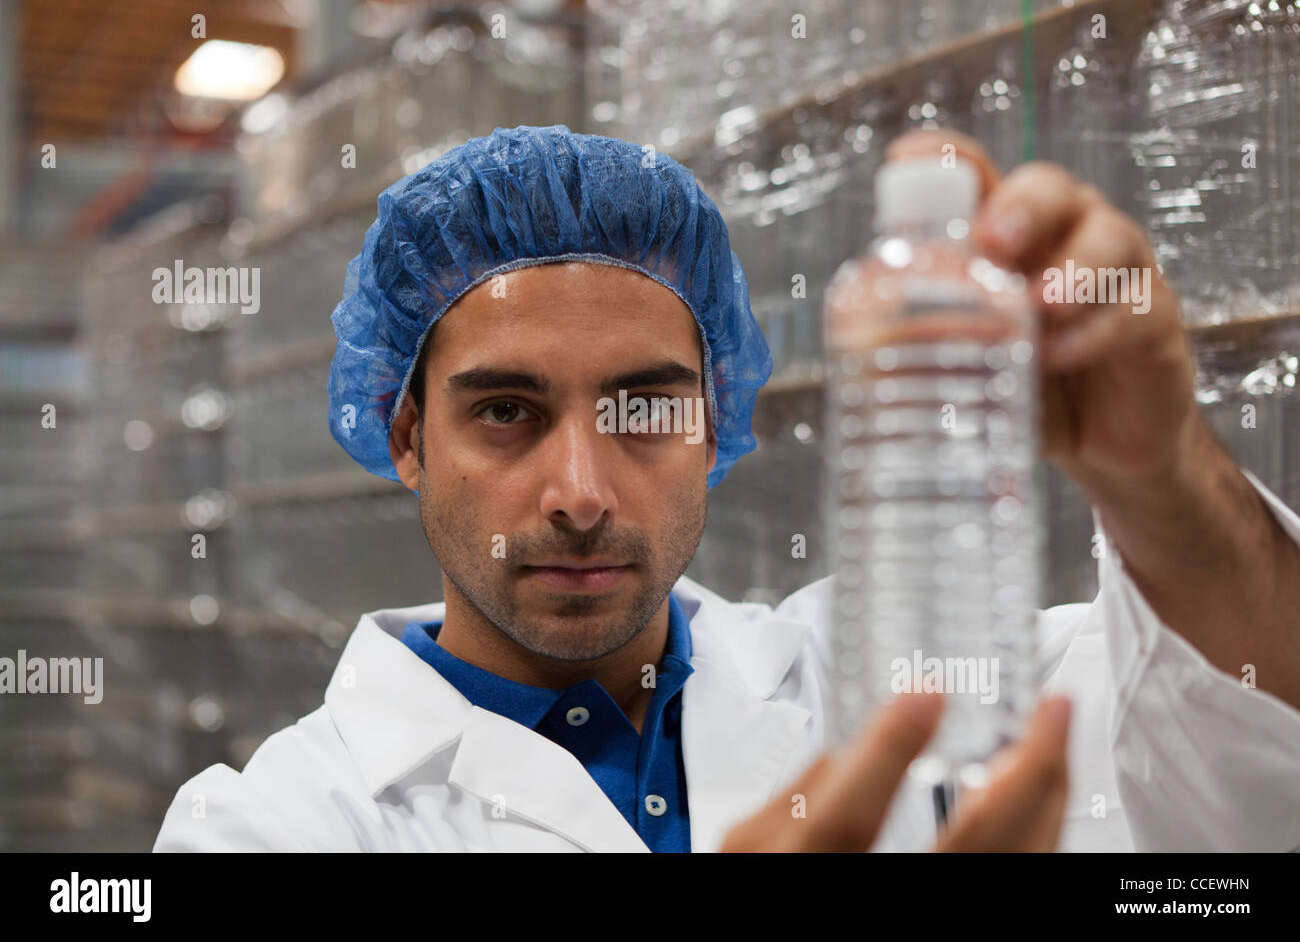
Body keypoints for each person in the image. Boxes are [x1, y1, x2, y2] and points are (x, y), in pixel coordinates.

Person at [154, 124, 1300, 853]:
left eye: (646, 407)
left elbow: (1244, 745)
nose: (580, 490)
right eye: (506, 411)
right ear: (406, 435)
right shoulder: (276, 825)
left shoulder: (900, 676)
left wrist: (1166, 480)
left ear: (717, 423)